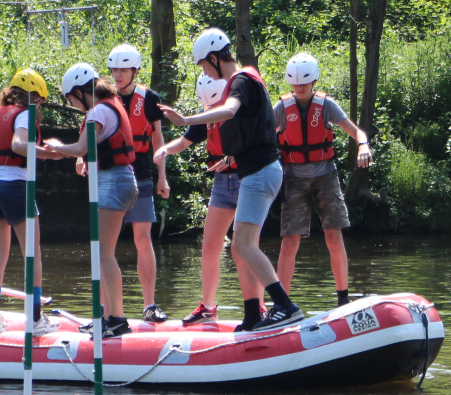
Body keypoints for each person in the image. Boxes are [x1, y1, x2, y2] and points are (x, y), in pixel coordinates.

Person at [160, 28, 302, 331]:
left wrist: (186, 119)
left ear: (214, 57)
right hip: (258, 171)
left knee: (244, 244)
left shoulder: (241, 81)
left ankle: (285, 305)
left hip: (260, 173)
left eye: (203, 65)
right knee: (241, 246)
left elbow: (230, 110)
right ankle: (253, 314)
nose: (205, 71)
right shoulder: (245, 81)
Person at [42, 62, 138, 338]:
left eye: (72, 97)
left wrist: (59, 147)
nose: (72, 102)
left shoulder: (99, 111)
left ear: (83, 91)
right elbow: (88, 150)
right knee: (101, 252)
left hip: (114, 183)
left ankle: (117, 319)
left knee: (104, 253)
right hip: (116, 181)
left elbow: (82, 147)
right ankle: (107, 317)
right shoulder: (107, 107)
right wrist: (75, 155)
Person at [153, 72, 257, 325]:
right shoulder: (207, 116)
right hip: (222, 184)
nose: (210, 109)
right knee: (210, 247)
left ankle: (258, 307)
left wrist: (232, 159)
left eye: (213, 104)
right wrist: (166, 148)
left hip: (248, 179)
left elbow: (259, 145)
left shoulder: (239, 111)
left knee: (245, 248)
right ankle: (208, 307)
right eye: (206, 105)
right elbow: (185, 141)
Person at [0, 69, 61, 338]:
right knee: (33, 254)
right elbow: (19, 146)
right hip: (15, 187)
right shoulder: (26, 113)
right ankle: (36, 319)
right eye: (40, 101)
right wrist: (47, 155)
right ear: (35, 98)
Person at [274, 52, 372, 306]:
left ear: (314, 81)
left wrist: (363, 146)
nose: (300, 88)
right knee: (290, 239)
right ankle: (281, 303)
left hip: (325, 175)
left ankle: (343, 298)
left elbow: (356, 131)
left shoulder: (327, 105)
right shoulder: (282, 108)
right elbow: (261, 136)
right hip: (293, 177)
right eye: (295, 84)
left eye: (304, 84)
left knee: (333, 234)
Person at [106, 42, 170, 323]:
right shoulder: (104, 98)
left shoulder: (150, 98)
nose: (118, 74)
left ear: (134, 70)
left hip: (141, 173)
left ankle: (149, 305)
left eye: (123, 69)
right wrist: (83, 159)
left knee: (142, 238)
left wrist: (163, 177)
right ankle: (106, 310)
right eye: (114, 69)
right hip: (109, 174)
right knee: (104, 244)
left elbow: (157, 138)